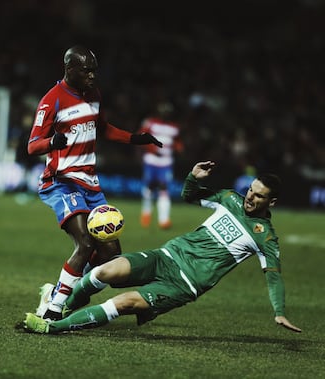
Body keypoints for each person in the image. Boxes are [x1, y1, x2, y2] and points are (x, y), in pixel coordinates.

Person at [23, 160, 302, 334]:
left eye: (259, 195)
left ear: (272, 202)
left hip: (184, 284)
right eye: (251, 190)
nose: (250, 197)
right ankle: (62, 309)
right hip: (165, 256)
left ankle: (52, 327)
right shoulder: (230, 198)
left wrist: (279, 310)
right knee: (103, 271)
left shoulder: (265, 237)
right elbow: (189, 195)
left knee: (121, 303)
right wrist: (194, 177)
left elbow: (274, 276)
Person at [27, 46, 162, 321]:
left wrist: (136, 139)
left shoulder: (94, 95)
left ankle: (60, 294)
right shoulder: (51, 100)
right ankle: (52, 311)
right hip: (61, 182)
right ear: (70, 69)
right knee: (86, 243)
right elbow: (32, 146)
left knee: (110, 253)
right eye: (86, 70)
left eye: (94, 70)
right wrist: (52, 142)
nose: (92, 75)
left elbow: (104, 129)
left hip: (90, 183)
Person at [138, 101, 184, 229]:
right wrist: (148, 147)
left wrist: (179, 147)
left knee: (164, 188)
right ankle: (146, 213)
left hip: (166, 161)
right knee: (149, 188)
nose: (165, 114)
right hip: (151, 160)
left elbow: (177, 141)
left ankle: (164, 220)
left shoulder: (174, 127)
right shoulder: (151, 123)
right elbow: (141, 136)